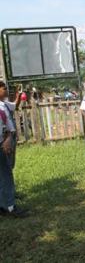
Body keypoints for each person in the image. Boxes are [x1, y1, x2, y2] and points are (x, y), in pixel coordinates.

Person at [0, 81, 27, 218]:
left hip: (6, 141)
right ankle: (10, 207)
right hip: (3, 143)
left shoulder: (3, 104)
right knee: (5, 175)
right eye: (4, 88)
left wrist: (18, 95)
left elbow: (14, 108)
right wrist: (6, 138)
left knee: (5, 172)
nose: (5, 90)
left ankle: (4, 204)